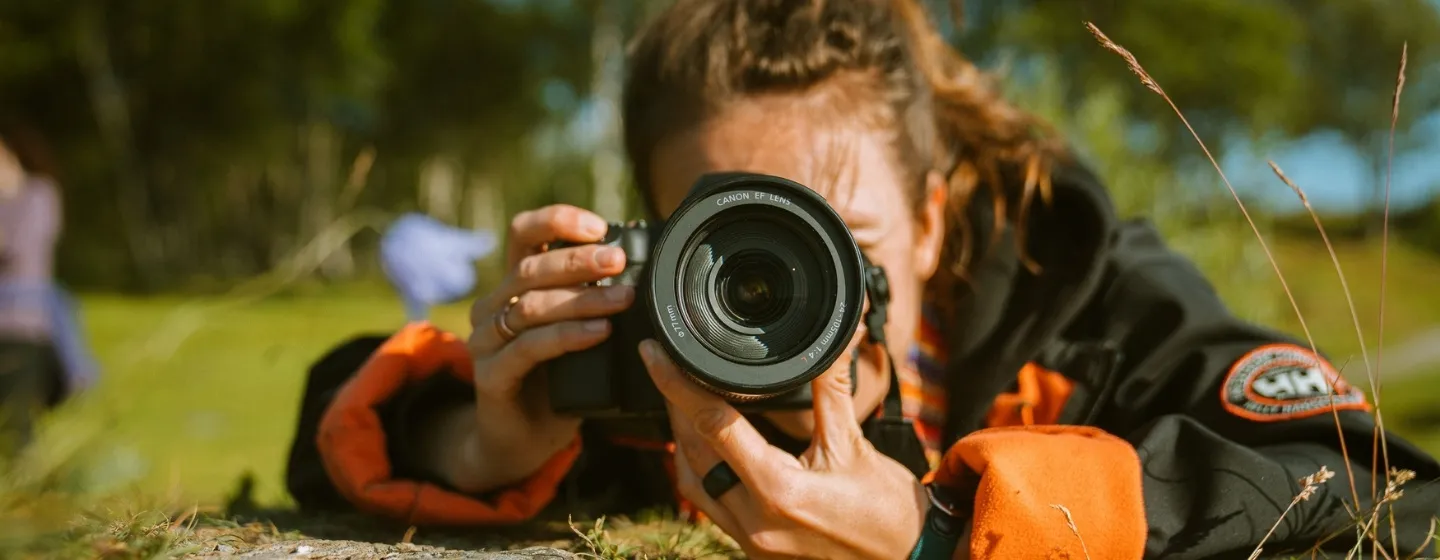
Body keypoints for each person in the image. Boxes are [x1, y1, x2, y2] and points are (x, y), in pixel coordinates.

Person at [285, 0, 1440, 557]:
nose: (791, 303)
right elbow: (341, 404)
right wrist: (482, 442)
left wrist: (943, 532)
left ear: (934, 220)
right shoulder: (643, 358)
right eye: (734, 252)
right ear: (655, 235)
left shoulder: (1079, 296)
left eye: (839, 241)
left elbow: (1383, 491)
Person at [0, 123, 96, 453]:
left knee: (16, 418)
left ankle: (23, 492)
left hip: (22, 325)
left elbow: (14, 246)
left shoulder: (39, 196)